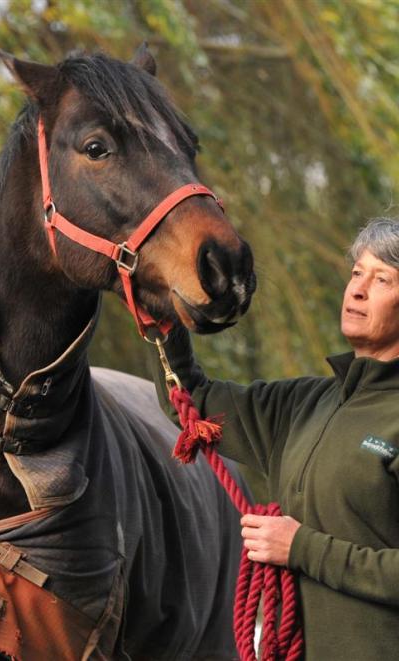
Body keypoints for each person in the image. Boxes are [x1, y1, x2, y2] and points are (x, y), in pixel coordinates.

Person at [149, 217, 399, 660]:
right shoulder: (302, 403)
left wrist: (300, 547)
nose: (357, 289)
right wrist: (159, 307)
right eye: (357, 273)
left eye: (382, 279)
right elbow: (192, 402)